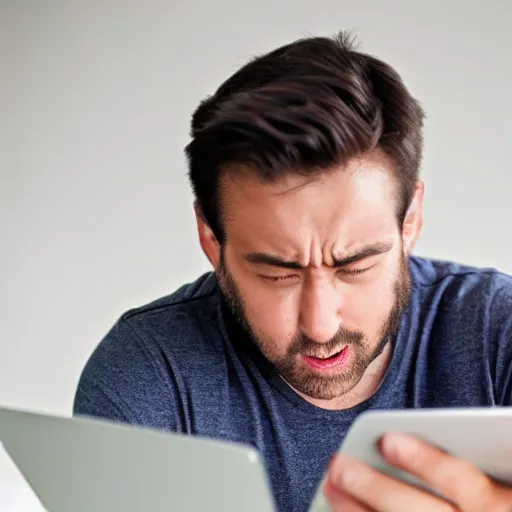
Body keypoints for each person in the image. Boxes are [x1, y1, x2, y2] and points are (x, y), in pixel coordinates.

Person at [73, 31, 512, 511]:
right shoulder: (148, 375)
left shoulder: (498, 333)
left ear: (410, 222)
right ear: (210, 240)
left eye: (355, 265)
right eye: (278, 274)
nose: (320, 324)